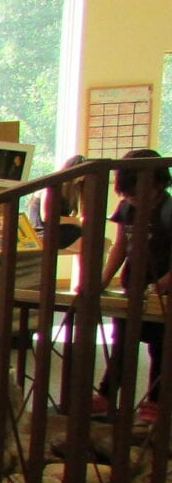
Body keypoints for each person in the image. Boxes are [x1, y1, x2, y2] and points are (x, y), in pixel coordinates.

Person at [90, 149, 171, 426]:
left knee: (161, 348)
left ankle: (156, 402)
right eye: (129, 196)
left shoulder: (168, 211)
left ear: (157, 184)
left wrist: (164, 282)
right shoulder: (126, 209)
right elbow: (120, 246)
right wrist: (102, 279)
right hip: (133, 285)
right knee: (122, 342)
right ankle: (107, 394)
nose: (134, 200)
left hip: (163, 289)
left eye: (139, 194)